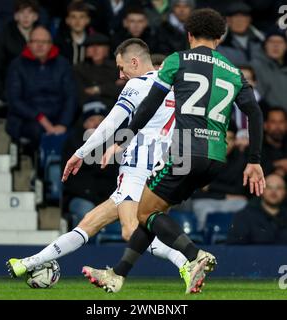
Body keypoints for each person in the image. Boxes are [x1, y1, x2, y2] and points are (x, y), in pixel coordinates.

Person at [82, 8, 266, 294]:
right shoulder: (234, 71)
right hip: (217, 158)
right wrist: (254, 160)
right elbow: (254, 114)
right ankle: (117, 275)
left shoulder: (176, 61)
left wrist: (123, 139)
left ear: (189, 34)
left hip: (184, 155)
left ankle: (194, 256)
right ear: (220, 37)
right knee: (154, 210)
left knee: (144, 212)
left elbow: (151, 103)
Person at [7, 38, 194, 290]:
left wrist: (81, 153)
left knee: (130, 230)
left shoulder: (138, 84)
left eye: (121, 67)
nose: (120, 74)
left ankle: (187, 262)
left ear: (135, 62)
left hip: (138, 170)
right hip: (162, 168)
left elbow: (109, 123)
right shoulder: (176, 90)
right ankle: (29, 262)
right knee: (89, 223)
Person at [5, 26, 77, 149]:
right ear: (29, 44)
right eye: (35, 41)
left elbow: (71, 96)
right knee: (36, 132)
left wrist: (63, 124)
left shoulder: (62, 64)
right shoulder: (17, 65)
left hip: (58, 117)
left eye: (44, 42)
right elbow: (14, 100)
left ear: (51, 45)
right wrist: (40, 118)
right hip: (27, 119)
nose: (40, 45)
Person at [61, 101, 118, 226]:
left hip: (108, 197)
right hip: (81, 197)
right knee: (88, 211)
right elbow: (69, 179)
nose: (97, 124)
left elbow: (116, 175)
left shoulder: (114, 143)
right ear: (84, 123)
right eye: (92, 120)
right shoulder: (74, 143)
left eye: (101, 120)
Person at [192, 121, 248, 231]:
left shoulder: (240, 159)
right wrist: (224, 195)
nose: (225, 143)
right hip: (206, 202)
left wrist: (210, 187)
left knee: (243, 204)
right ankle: (203, 243)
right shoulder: (203, 157)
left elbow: (239, 190)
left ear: (235, 141)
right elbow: (195, 193)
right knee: (202, 207)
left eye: (230, 139)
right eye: (222, 137)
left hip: (230, 202)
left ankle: (235, 241)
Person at [0, 0, 39, 106]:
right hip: (10, 93)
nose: (26, 17)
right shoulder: (4, 37)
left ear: (36, 17)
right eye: (22, 13)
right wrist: (1, 93)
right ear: (16, 16)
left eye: (29, 13)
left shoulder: (43, 37)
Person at [227, 174, 287, 244]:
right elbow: (234, 248)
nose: (273, 191)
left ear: (284, 192)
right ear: (261, 189)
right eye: (268, 187)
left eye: (279, 188)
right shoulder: (244, 216)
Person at [73, 33, 123, 109]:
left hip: (113, 110)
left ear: (107, 49)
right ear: (86, 50)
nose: (95, 49)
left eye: (100, 45)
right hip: (86, 110)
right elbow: (79, 93)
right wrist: (111, 86)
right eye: (91, 46)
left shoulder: (118, 67)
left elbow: (122, 91)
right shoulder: (78, 69)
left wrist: (98, 89)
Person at [251, 29, 287, 111]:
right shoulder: (255, 67)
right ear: (265, 45)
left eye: (280, 42)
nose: (276, 45)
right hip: (268, 120)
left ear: (286, 46)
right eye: (271, 41)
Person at [261, 107, 287, 178]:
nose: (278, 126)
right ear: (265, 125)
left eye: (281, 122)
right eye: (273, 122)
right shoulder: (255, 148)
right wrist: (277, 164)